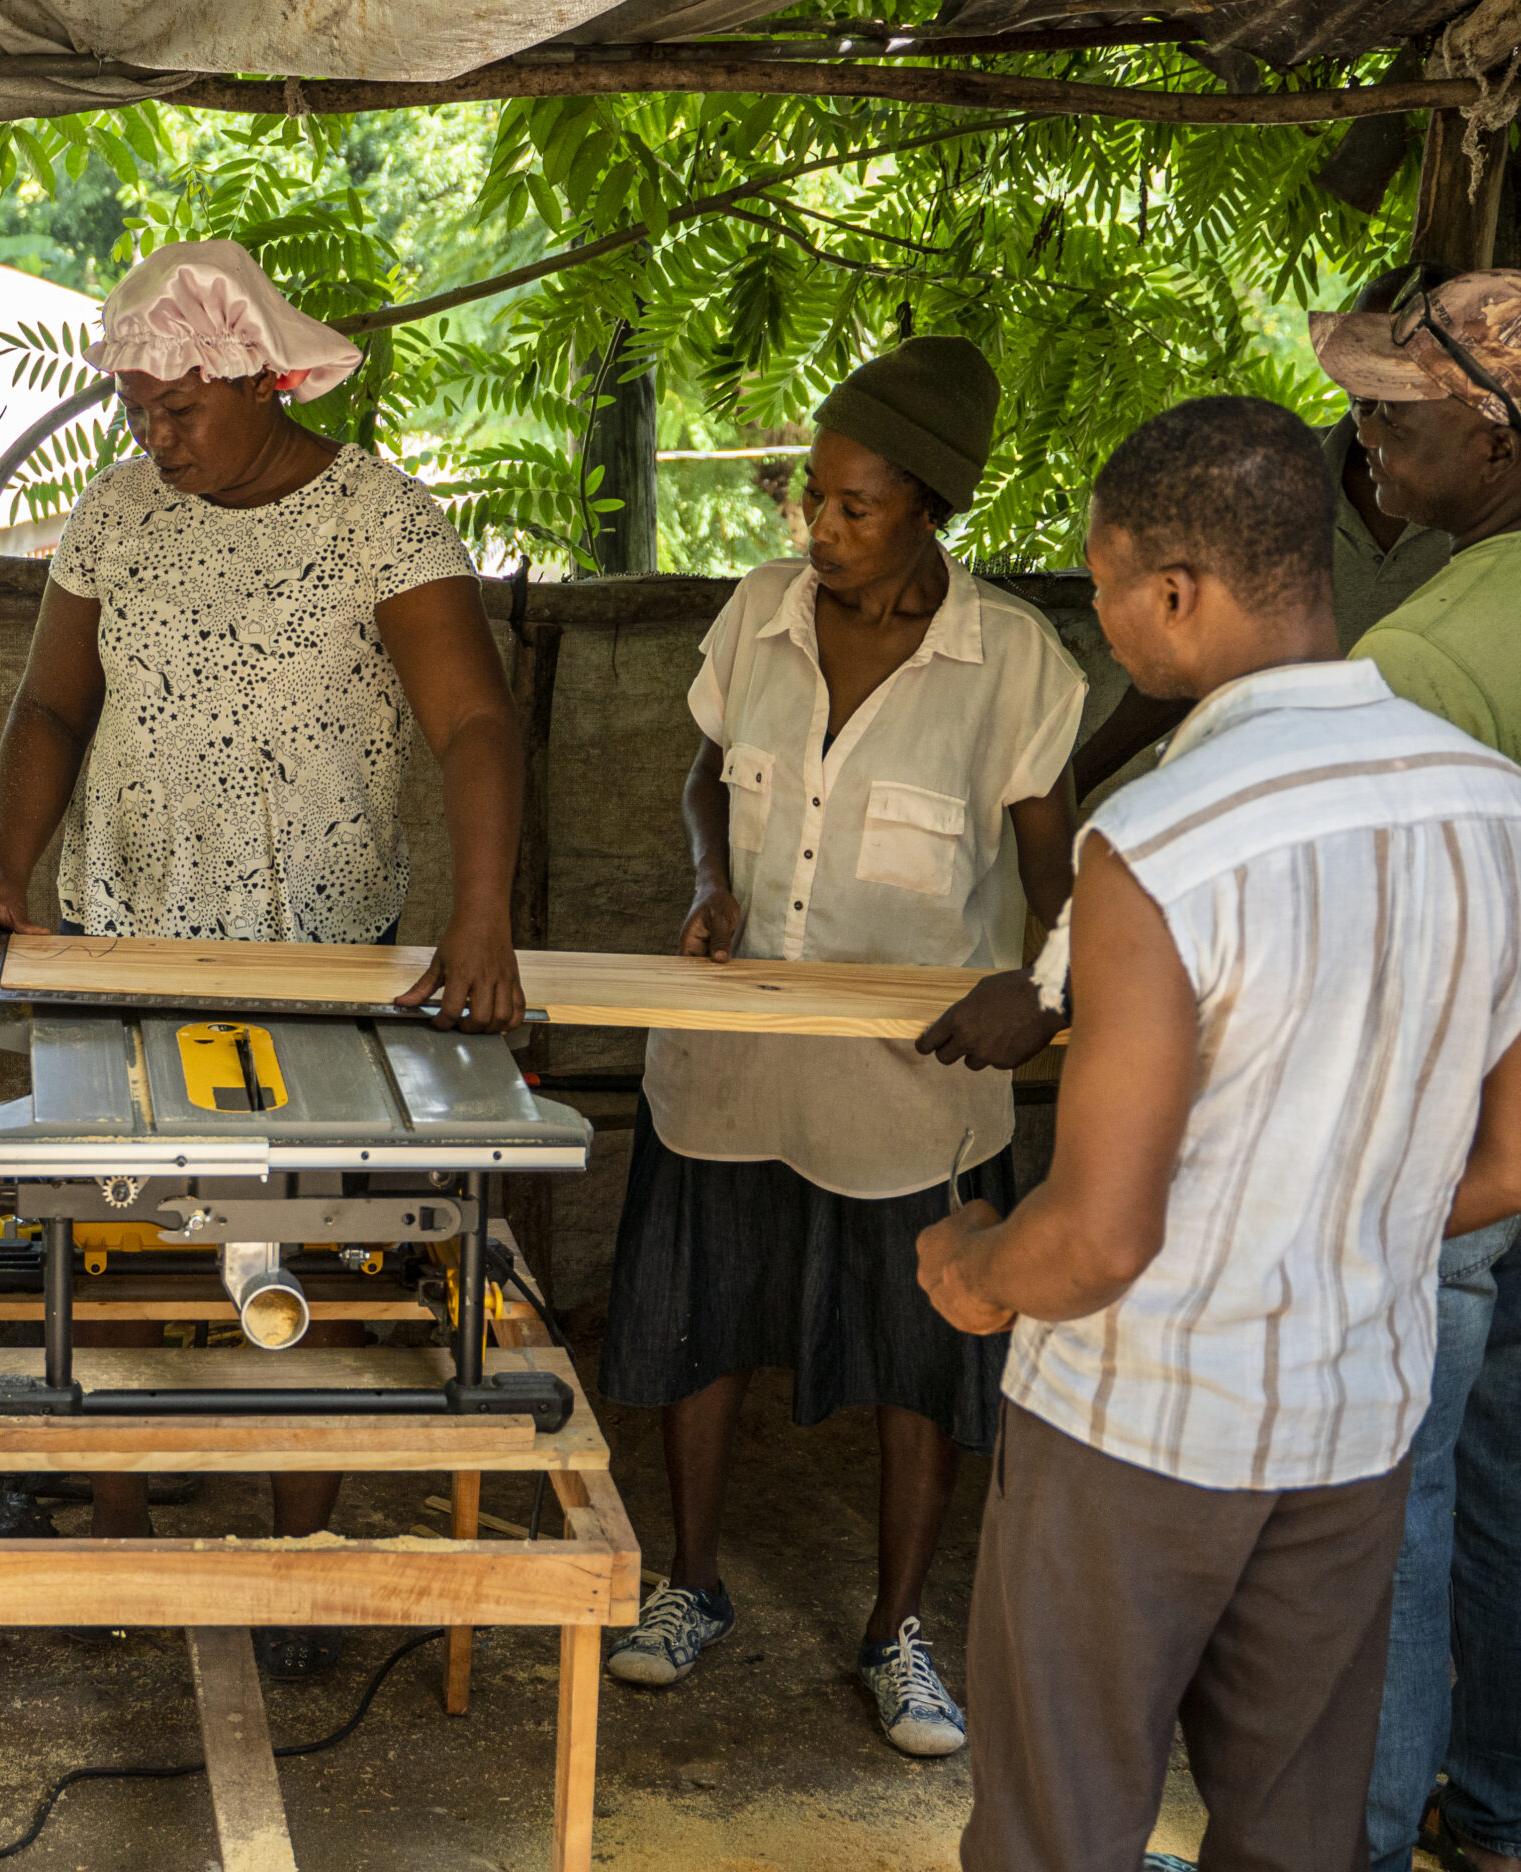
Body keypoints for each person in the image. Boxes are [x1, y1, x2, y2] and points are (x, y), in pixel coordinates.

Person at [918, 394, 1521, 1871]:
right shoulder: (1492, 805)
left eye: (1105, 586)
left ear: (1173, 591)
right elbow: (1504, 1165)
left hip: (1141, 1426)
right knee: (1299, 1832)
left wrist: (978, 1263)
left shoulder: (1167, 835)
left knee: (1061, 1823)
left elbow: (1104, 1238)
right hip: (1354, 1424)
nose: (1106, 624)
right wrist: (1341, 1233)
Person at [0, 238, 528, 1679]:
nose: (154, 434)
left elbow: (472, 726)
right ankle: (128, 1540)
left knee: (307, 1249)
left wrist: (480, 920)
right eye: (135, 407)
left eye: (180, 408)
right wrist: (9, 872)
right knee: (117, 1232)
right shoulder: (117, 518)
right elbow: (49, 710)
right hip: (127, 936)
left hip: (315, 955)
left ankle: (296, 1558)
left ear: (262, 377)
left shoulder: (379, 521)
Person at [598, 335, 1084, 1760]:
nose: (819, 529)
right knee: (705, 1325)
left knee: (921, 1353)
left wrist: (1043, 992)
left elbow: (1055, 882)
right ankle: (691, 1586)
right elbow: (705, 766)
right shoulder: (757, 615)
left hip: (908, 1082)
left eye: (855, 506)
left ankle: (896, 1631)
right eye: (809, 498)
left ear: (931, 507)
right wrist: (708, 880)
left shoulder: (1016, 666)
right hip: (735, 1057)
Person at [1310, 266, 1521, 1872]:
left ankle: (1351, 1845)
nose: (1363, 435)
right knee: (1507, 1488)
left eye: (1395, 409)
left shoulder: (1441, 650)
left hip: (1464, 1136)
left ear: (1498, 434)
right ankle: (1493, 1809)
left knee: (1388, 1507)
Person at [1069, 265, 1459, 798]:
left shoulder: (1493, 514)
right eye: (1357, 364)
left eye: (1394, 372)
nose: (1368, 390)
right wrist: (1071, 785)